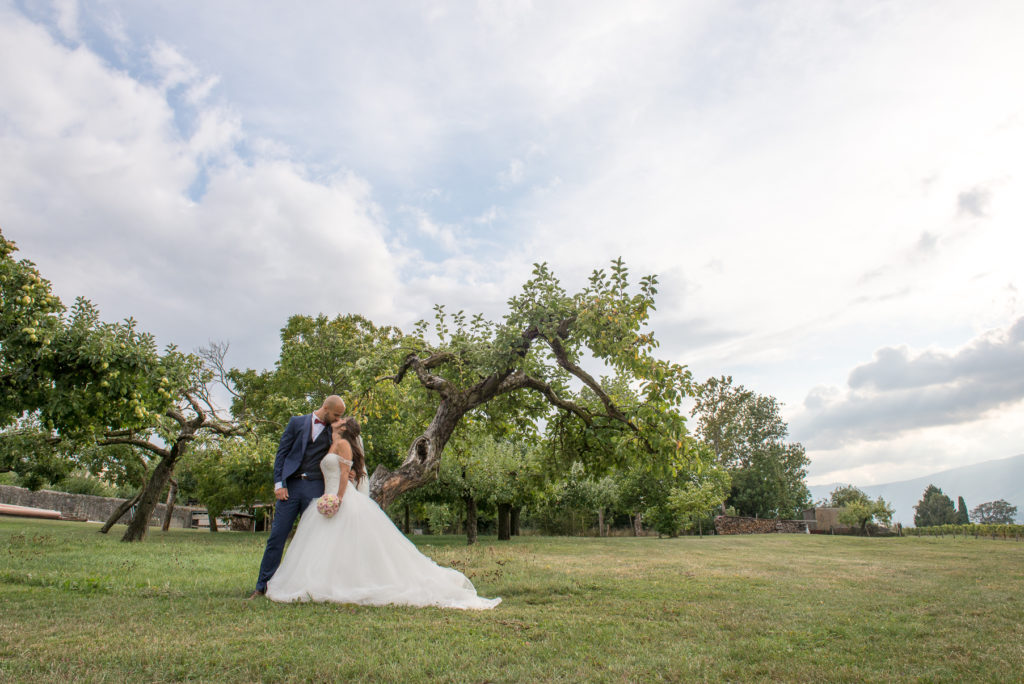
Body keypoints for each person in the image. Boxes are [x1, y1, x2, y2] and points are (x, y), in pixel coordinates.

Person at [265, 417, 501, 610]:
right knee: (327, 546)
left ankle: (343, 583)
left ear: (345, 428)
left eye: (341, 420)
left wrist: (336, 498)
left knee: (342, 544)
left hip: (340, 499)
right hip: (327, 496)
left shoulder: (344, 445)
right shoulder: (332, 442)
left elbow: (346, 473)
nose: (337, 421)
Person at [249, 395, 347, 598]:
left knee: (312, 540)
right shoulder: (296, 422)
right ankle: (262, 586)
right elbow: (282, 454)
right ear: (325, 408)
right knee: (277, 537)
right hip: (290, 488)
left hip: (316, 489)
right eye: (336, 415)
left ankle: (306, 587)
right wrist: (279, 484)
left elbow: (342, 454)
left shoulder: (334, 430)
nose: (338, 419)